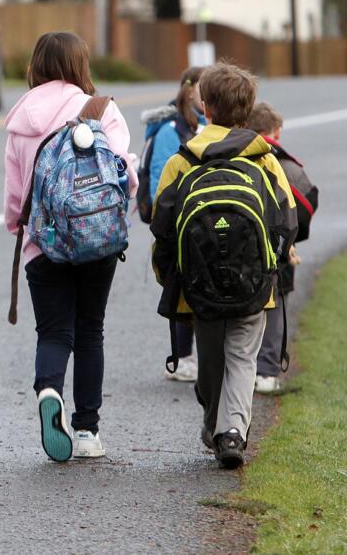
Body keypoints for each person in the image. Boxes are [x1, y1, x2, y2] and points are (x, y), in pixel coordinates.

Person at [149, 63, 296, 469]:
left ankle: (217, 424)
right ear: (248, 110)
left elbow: (162, 226)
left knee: (211, 358)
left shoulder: (183, 161)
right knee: (243, 357)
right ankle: (231, 432)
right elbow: (287, 221)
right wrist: (275, 264)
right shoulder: (264, 161)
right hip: (254, 287)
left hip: (198, 287)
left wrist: (168, 276)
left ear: (204, 106)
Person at [3, 31, 138, 462]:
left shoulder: (21, 118)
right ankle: (87, 432)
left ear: (35, 66)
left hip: (43, 243)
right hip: (96, 239)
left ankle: (48, 389)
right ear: (81, 66)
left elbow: (14, 193)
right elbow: (124, 176)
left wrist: (17, 228)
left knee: (54, 331)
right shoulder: (101, 110)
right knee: (90, 328)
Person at [245, 102, 319, 394]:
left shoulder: (234, 155)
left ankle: (241, 369)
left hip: (240, 249)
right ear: (276, 131)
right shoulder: (284, 164)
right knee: (275, 308)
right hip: (278, 252)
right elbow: (308, 203)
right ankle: (267, 371)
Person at [138, 67, 205, 382]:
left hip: (202, 217)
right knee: (181, 287)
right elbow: (160, 183)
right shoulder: (169, 131)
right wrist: (167, 223)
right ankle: (182, 357)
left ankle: (200, 355)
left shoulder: (207, 125)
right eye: (206, 90)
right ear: (190, 92)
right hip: (178, 221)